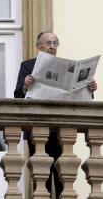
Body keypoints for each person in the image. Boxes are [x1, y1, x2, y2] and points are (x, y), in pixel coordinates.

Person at [14, 31, 97, 198]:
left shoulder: (68, 67)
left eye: (55, 43)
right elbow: (17, 94)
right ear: (38, 46)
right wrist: (25, 86)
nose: (52, 46)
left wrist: (90, 90)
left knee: (62, 173)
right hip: (36, 129)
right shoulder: (27, 66)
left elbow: (74, 95)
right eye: (48, 43)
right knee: (41, 174)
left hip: (60, 129)